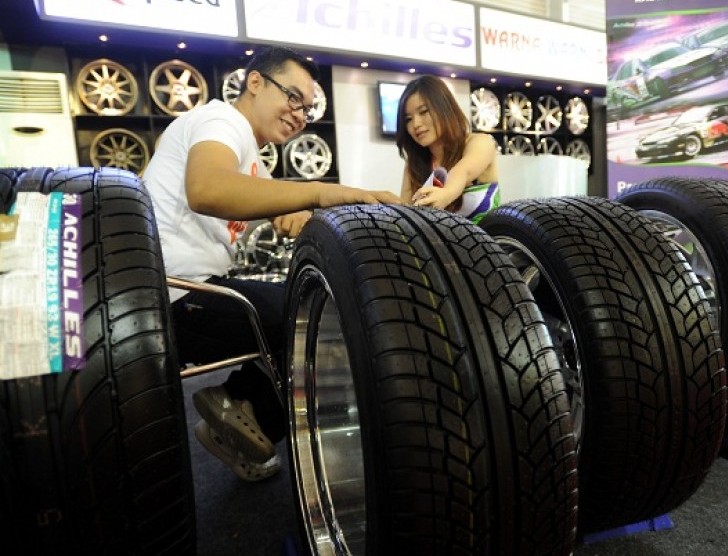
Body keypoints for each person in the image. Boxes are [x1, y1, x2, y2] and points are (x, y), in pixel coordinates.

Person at [142, 46, 399, 481]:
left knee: (302, 304)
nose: (300, 115)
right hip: (175, 295)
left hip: (188, 288)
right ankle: (241, 407)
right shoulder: (222, 120)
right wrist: (320, 191)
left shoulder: (248, 155)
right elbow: (207, 188)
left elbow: (264, 201)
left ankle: (240, 426)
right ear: (255, 82)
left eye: (308, 108)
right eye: (293, 97)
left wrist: (293, 209)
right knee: (319, 318)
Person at [396, 75, 500, 224]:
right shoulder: (414, 164)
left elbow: (463, 171)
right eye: (408, 119)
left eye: (424, 111)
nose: (416, 124)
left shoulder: (480, 142)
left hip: (487, 243)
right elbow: (405, 214)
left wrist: (446, 193)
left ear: (444, 108)